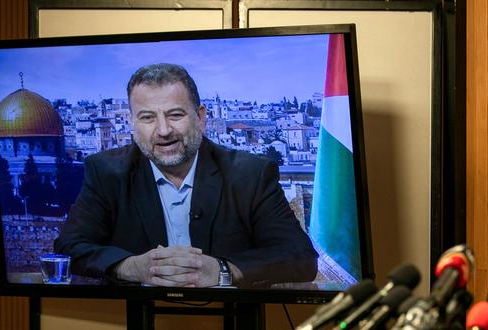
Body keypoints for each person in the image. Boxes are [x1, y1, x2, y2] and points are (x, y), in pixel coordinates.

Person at [54, 63, 318, 288]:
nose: (164, 130)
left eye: (175, 115)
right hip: (132, 324)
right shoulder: (106, 172)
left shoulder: (250, 174)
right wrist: (131, 267)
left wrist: (222, 271)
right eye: (147, 118)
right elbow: (68, 248)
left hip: (237, 323)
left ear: (200, 117)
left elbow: (300, 258)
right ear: (132, 125)